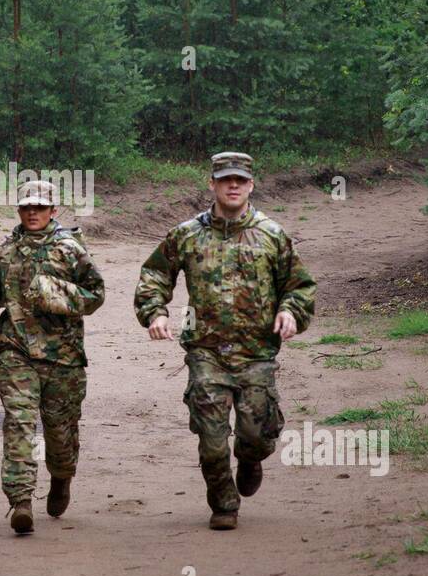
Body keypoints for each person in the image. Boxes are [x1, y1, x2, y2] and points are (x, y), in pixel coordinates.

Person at [134, 151, 316, 530]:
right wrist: (156, 312)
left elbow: (298, 287)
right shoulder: (187, 234)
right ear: (212, 184)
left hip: (257, 353)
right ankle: (224, 504)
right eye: (225, 180)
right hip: (207, 352)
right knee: (211, 439)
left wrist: (290, 312)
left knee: (255, 434)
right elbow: (154, 276)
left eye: (240, 180)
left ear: (251, 185)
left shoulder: (272, 235)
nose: (233, 186)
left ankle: (250, 459)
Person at [0, 179, 106, 534]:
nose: (33, 213)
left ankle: (61, 477)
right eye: (26, 207)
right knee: (18, 421)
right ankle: (20, 500)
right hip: (16, 352)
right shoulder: (4, 252)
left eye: (40, 207)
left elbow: (96, 295)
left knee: (60, 434)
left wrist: (53, 293)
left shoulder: (70, 249)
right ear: (19, 210)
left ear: (53, 211)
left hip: (63, 356)